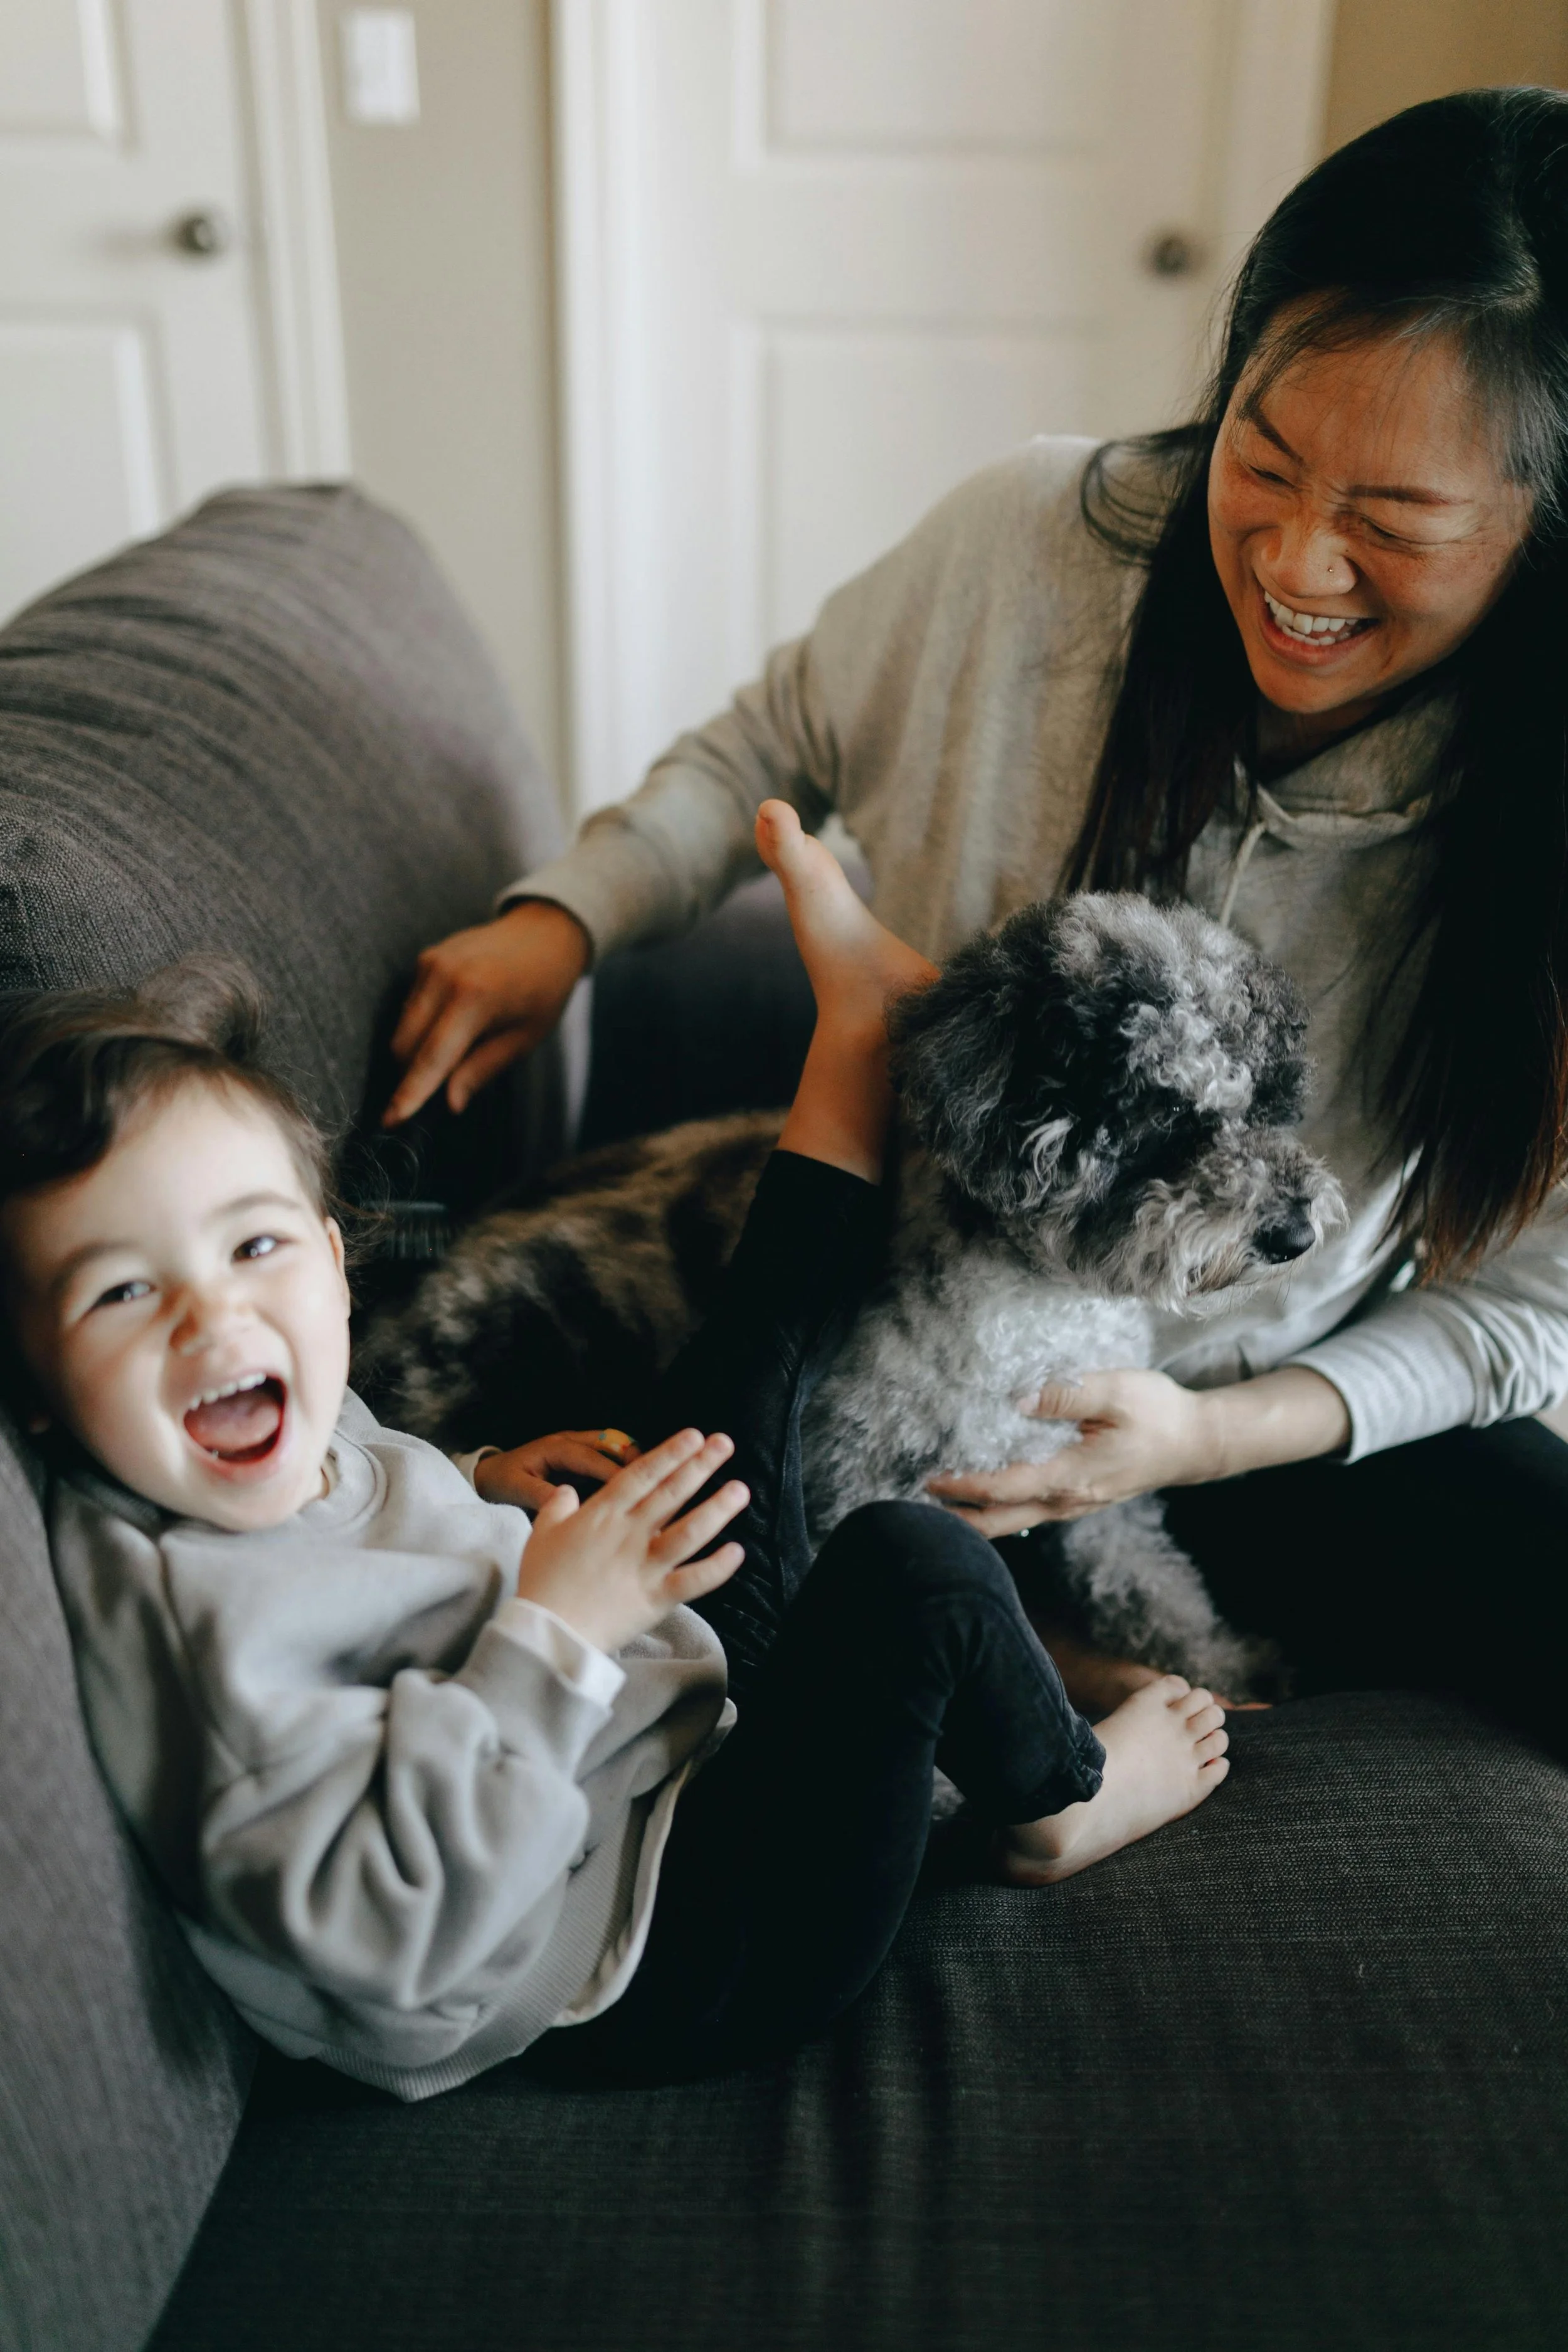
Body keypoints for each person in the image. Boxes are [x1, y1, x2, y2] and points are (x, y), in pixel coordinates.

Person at [383, 90, 1568, 1752]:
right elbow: (772, 734)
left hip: (1261, 1407)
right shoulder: (1035, 543)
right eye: (1263, 455)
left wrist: (1195, 1439)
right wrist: (568, 916)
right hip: (917, 1325)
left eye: (1394, 523)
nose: (1296, 556)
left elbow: (1531, 1310)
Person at [0, 804, 1228, 2100]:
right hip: (671, 1945)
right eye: (120, 1294)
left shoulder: (227, 1429)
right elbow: (392, 1933)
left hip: (656, 1741)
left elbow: (343, 1483)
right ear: (30, 1387)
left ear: (333, 1254)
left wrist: (475, 1479)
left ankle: (855, 1038)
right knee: (910, 1569)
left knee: (729, 1397)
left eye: (255, 1246)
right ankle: (1059, 1804)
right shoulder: (201, 1638)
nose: (214, 1316)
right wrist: (555, 1630)